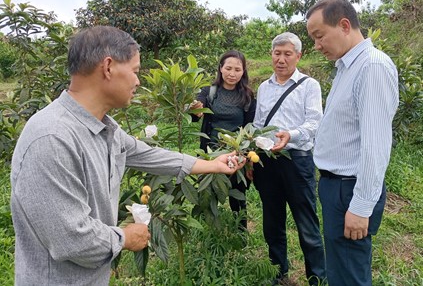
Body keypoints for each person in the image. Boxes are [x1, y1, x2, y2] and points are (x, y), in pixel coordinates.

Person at [10, 26, 245, 286]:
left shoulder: (105, 128)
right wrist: (124, 237)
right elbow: (71, 241)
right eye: (134, 71)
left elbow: (149, 155)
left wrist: (212, 165)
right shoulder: (52, 138)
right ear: (108, 67)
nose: (138, 81)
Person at [306, 0, 399, 286]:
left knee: (349, 274)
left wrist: (360, 207)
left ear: (344, 25)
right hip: (336, 186)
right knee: (340, 269)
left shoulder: (371, 67)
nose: (317, 45)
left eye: (319, 36)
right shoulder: (348, 67)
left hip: (349, 189)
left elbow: (376, 145)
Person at [249, 32, 326, 285]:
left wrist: (289, 135)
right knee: (272, 222)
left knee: (307, 224)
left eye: (287, 54)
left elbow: (315, 123)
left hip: (297, 161)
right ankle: (278, 273)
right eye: (277, 53)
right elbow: (259, 125)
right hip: (268, 162)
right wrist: (252, 156)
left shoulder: (309, 85)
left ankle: (317, 278)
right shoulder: (264, 87)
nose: (281, 59)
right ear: (271, 55)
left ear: (298, 56)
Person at [191, 50, 256, 231]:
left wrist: (249, 161)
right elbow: (197, 112)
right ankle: (210, 230)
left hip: (236, 152)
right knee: (209, 192)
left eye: (237, 69)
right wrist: (196, 109)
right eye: (228, 68)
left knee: (238, 193)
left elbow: (250, 128)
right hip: (210, 153)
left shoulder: (247, 96)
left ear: (243, 72)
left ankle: (240, 230)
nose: (232, 73)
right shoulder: (209, 92)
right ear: (220, 68)